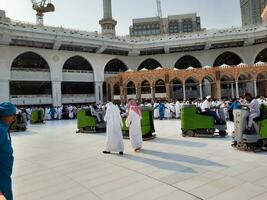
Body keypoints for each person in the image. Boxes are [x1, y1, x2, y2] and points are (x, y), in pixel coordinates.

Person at [0, 102, 16, 200]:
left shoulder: (4, 129)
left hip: (4, 177)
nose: (14, 118)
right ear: (9, 116)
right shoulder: (1, 130)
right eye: (13, 115)